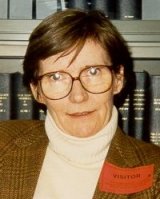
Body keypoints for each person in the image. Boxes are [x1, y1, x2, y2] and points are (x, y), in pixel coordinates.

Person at [0, 8, 160, 199]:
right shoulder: (3, 144)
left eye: (93, 71)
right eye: (56, 76)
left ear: (118, 78)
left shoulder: (155, 171)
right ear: (37, 91)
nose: (78, 96)